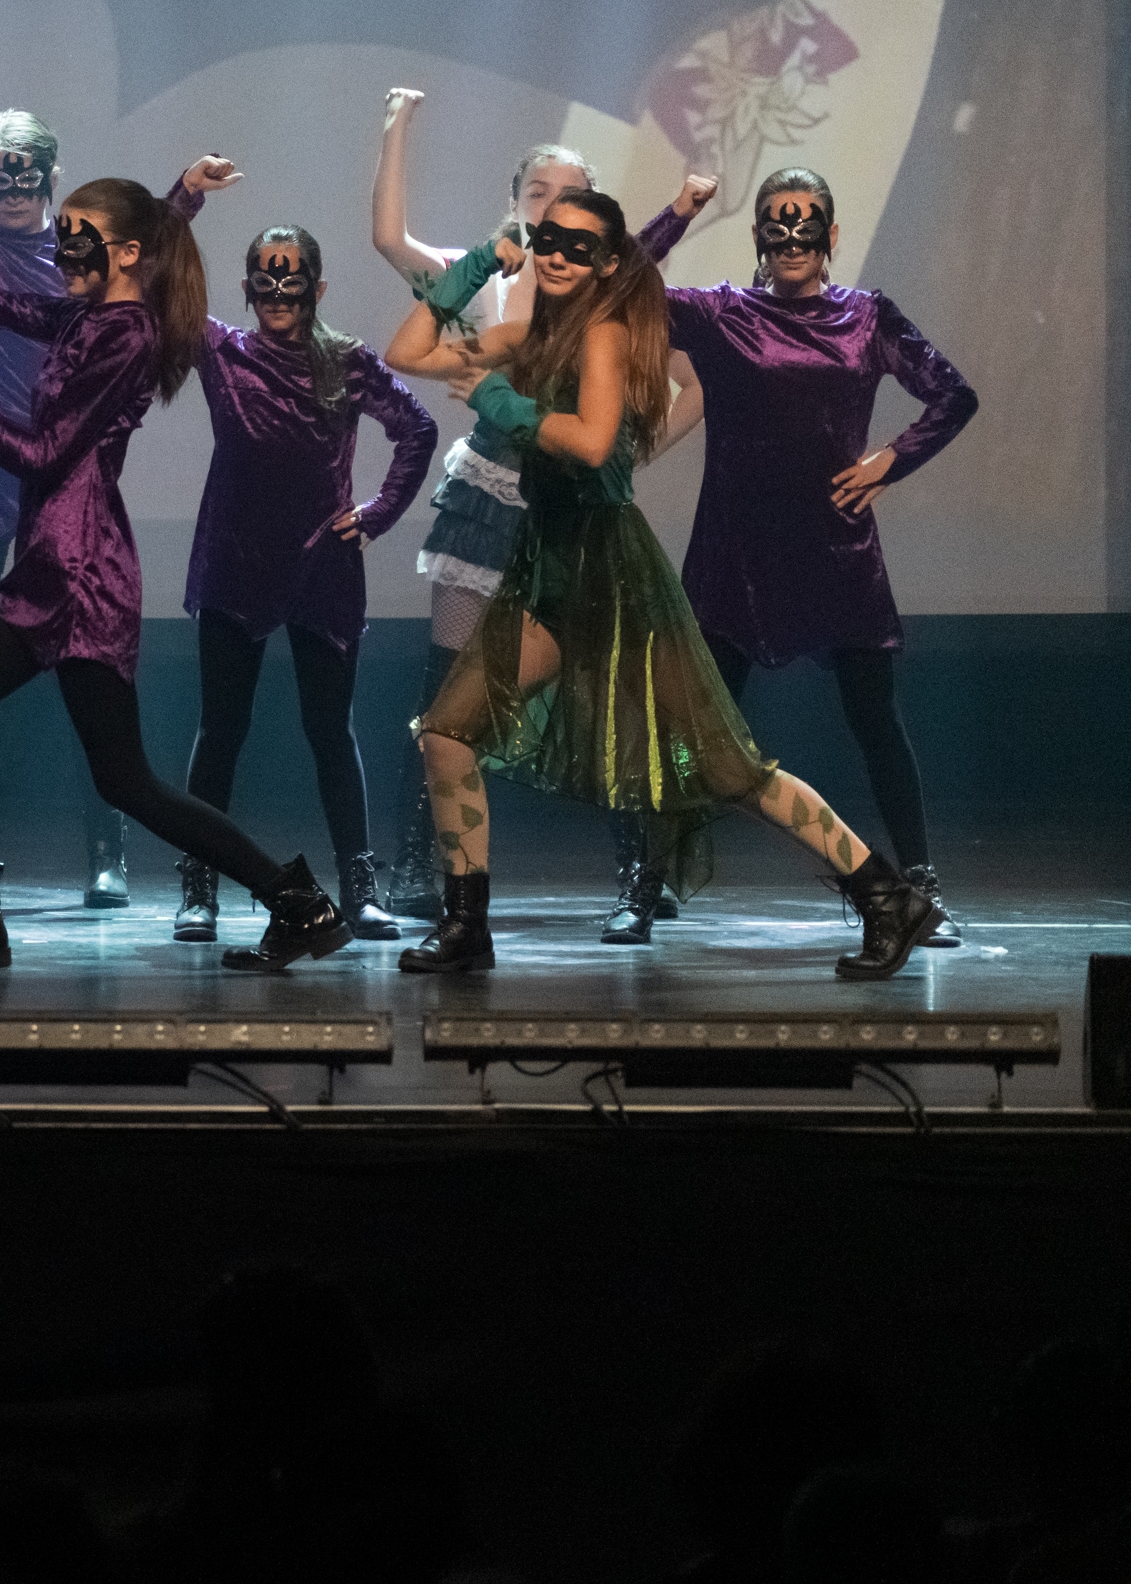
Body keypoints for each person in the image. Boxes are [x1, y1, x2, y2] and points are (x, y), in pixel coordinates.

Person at [388, 190, 941, 977]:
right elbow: (406, 352)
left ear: (608, 263)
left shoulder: (606, 334)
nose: (557, 255)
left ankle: (887, 895)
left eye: (578, 247)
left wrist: (499, 400)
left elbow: (592, 442)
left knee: (726, 768)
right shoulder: (530, 333)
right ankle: (466, 923)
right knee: (447, 733)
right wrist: (478, 262)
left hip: (612, 575)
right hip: (549, 568)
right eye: (549, 240)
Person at [0, 173, 350, 975]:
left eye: (78, 237)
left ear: (126, 253)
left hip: (75, 568)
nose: (62, 251)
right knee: (123, 778)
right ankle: (297, 902)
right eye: (62, 235)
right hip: (66, 557)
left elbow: (40, 454)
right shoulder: (86, 317)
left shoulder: (124, 336)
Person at [367, 89, 701, 931]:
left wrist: (623, 451)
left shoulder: (605, 309)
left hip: (572, 516)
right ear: (515, 202)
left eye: (570, 197)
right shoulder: (484, 279)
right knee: (447, 688)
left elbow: (688, 385)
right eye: (538, 194)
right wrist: (399, 125)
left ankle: (641, 874)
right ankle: (420, 870)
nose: (552, 211)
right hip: (489, 501)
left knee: (612, 695)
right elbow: (391, 250)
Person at [630, 168, 980, 944]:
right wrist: (679, 211)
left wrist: (892, 459)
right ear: (758, 234)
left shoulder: (867, 317)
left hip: (835, 553)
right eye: (777, 225)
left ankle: (921, 887)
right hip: (736, 556)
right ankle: (646, 884)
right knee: (692, 729)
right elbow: (619, 284)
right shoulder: (723, 313)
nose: (792, 238)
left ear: (832, 234)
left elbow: (953, 393)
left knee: (876, 721)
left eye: (807, 224)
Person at [165, 222, 438, 945]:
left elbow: (417, 429)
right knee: (221, 728)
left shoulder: (347, 361)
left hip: (322, 565)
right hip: (236, 561)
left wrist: (377, 513)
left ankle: (359, 887)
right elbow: (163, 283)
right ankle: (199, 887)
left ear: (317, 289)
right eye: (266, 278)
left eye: (293, 280)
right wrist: (187, 200)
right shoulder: (221, 350)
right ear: (246, 286)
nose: (278, 292)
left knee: (330, 729)